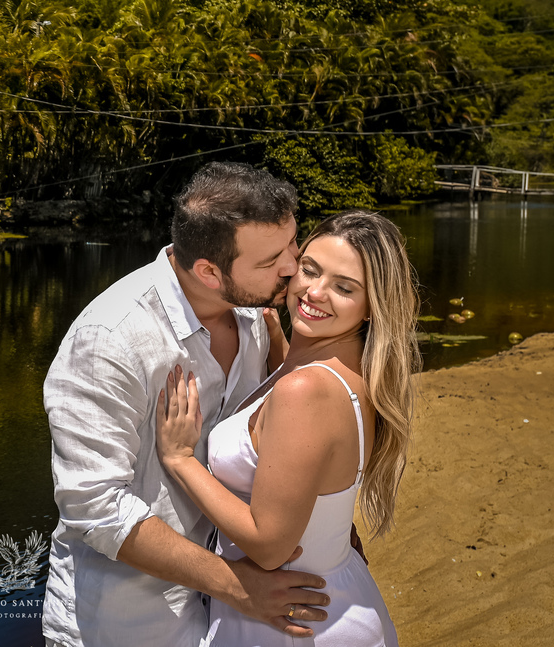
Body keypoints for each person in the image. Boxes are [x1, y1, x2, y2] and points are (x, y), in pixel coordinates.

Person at [42, 163, 331, 647]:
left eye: (291, 245)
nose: (292, 268)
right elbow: (95, 508)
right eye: (271, 260)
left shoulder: (255, 314)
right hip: (124, 622)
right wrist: (238, 586)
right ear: (209, 272)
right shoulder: (110, 341)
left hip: (228, 616)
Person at [156, 210, 419, 645]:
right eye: (310, 270)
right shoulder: (352, 374)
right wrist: (280, 346)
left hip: (290, 621)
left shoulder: (304, 390)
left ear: (373, 305)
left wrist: (181, 461)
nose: (315, 291)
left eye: (344, 287)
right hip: (332, 596)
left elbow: (270, 544)